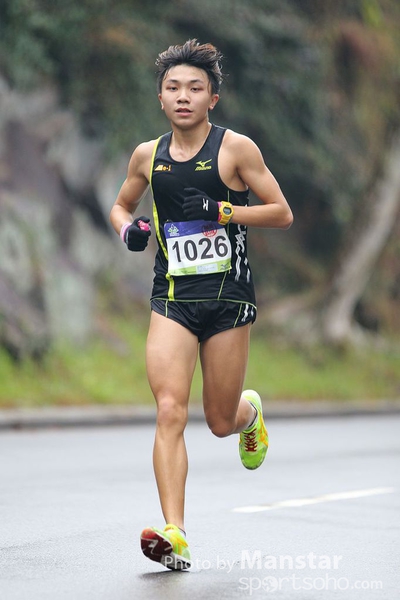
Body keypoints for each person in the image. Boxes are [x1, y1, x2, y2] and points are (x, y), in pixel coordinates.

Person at [109, 39, 293, 571]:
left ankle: (248, 415)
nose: (183, 96)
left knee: (217, 420)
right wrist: (129, 231)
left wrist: (223, 211)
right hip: (172, 298)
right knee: (170, 408)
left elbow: (280, 212)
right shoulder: (148, 156)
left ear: (212, 98)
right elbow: (121, 206)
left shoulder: (236, 149)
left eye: (195, 88)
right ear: (160, 97)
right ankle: (176, 534)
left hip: (228, 299)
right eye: (173, 88)